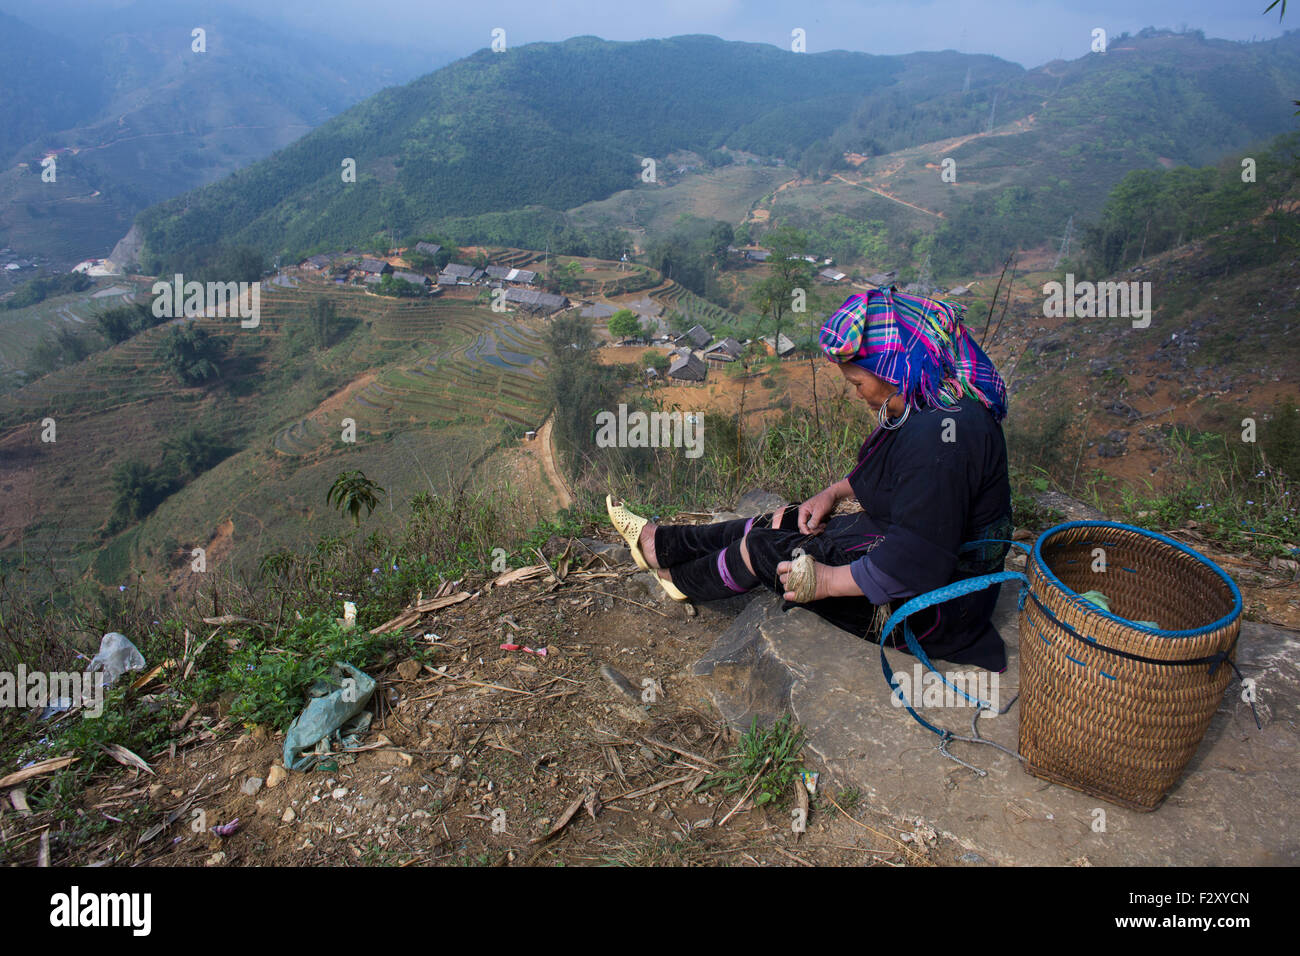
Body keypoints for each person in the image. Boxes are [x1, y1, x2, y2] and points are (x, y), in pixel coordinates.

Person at [607, 288, 1013, 671]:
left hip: (934, 610)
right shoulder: (937, 400)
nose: (857, 393)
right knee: (788, 519)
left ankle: (679, 579)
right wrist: (834, 492)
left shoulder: (943, 437)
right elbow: (902, 479)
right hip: (911, 555)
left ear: (895, 368)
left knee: (764, 548)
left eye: (858, 382)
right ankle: (662, 544)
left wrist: (828, 580)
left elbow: (918, 558)